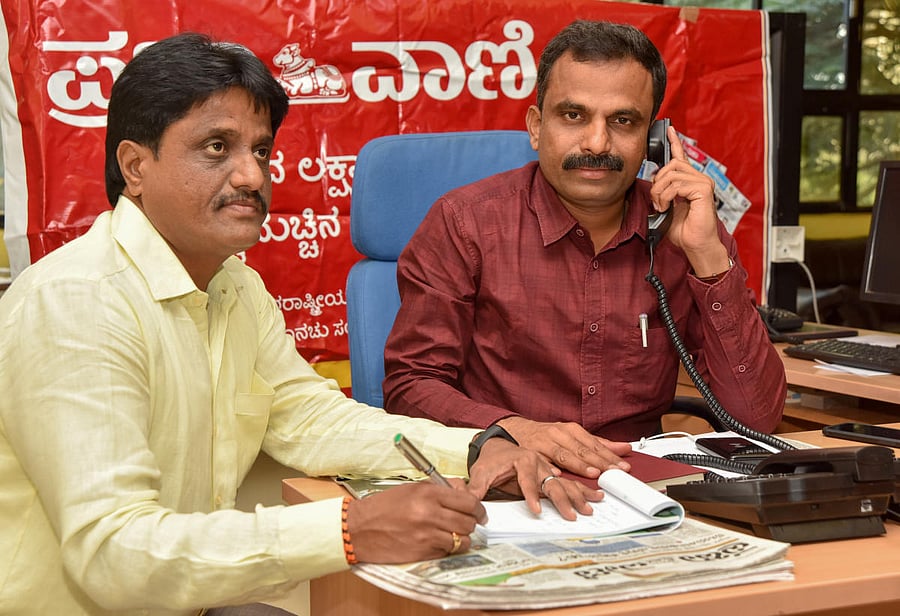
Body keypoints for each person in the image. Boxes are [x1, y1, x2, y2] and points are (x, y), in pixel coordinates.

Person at [0, 33, 599, 616]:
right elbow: (113, 553)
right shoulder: (77, 303)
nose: (252, 177)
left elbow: (308, 414)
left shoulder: (233, 283)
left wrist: (474, 447)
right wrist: (348, 528)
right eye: (216, 147)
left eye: (260, 150)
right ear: (135, 165)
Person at [383, 20, 787, 480]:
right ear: (536, 127)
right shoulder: (465, 223)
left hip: (643, 486)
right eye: (573, 116)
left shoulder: (683, 231)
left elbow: (758, 420)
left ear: (654, 140)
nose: (597, 143)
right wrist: (514, 431)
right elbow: (411, 386)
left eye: (623, 121)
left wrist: (709, 260)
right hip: (508, 478)